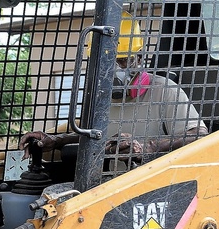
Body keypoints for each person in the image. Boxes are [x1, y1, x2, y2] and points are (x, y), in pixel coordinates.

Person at [20, 12, 208, 167]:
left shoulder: (165, 91)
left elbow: (199, 135)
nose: (115, 70)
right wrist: (58, 140)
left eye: (123, 60)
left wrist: (149, 146)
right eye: (106, 62)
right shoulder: (97, 98)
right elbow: (94, 138)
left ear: (139, 58)